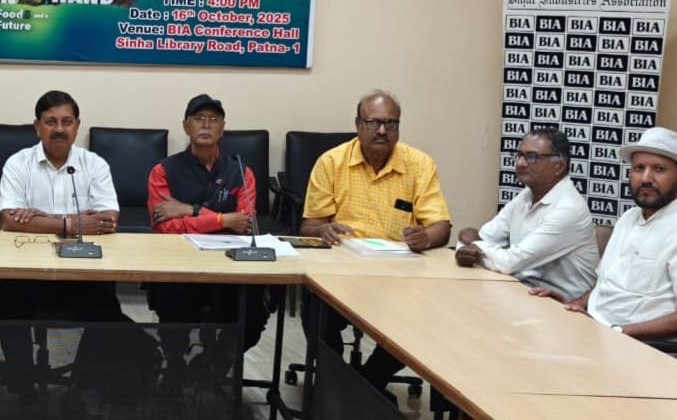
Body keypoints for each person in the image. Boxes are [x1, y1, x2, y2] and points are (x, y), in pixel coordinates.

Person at [300, 90, 451, 396]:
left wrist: (425, 237)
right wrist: (324, 229)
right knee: (315, 310)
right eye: (373, 123)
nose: (382, 130)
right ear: (358, 124)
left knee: (420, 318)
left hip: (398, 276)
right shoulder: (331, 162)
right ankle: (336, 380)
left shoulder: (420, 165)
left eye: (391, 123)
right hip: (340, 271)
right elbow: (309, 227)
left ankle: (368, 383)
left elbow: (441, 227)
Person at [0, 90, 135, 396]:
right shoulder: (18, 163)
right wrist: (73, 223)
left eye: (66, 121)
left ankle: (81, 385)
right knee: (9, 305)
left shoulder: (94, 164)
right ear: (37, 127)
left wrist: (41, 217)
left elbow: (108, 220)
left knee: (108, 311)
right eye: (51, 122)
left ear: (77, 125)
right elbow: (9, 219)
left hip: (81, 273)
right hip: (27, 272)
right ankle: (23, 387)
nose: (59, 129)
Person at [147, 94, 272, 388]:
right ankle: (175, 363)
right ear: (186, 126)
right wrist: (222, 220)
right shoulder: (163, 171)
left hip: (229, 266)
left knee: (254, 309)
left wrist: (190, 211)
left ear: (222, 128)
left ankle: (216, 361)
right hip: (179, 264)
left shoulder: (240, 170)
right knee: (174, 303)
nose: (206, 125)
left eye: (213, 119)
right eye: (199, 119)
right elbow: (164, 227)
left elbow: (245, 224)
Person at [531, 127, 677, 340]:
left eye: (659, 169)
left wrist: (617, 331)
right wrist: (573, 305)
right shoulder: (628, 219)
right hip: (594, 331)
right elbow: (605, 287)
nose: (646, 178)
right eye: (639, 168)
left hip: (642, 346)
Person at [456, 127, 598, 300]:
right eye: (519, 155)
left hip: (560, 304)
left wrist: (474, 245)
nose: (520, 163)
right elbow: (481, 240)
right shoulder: (526, 196)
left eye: (531, 157)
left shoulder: (568, 209)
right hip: (521, 291)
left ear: (559, 166)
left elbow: (509, 262)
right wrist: (468, 249)